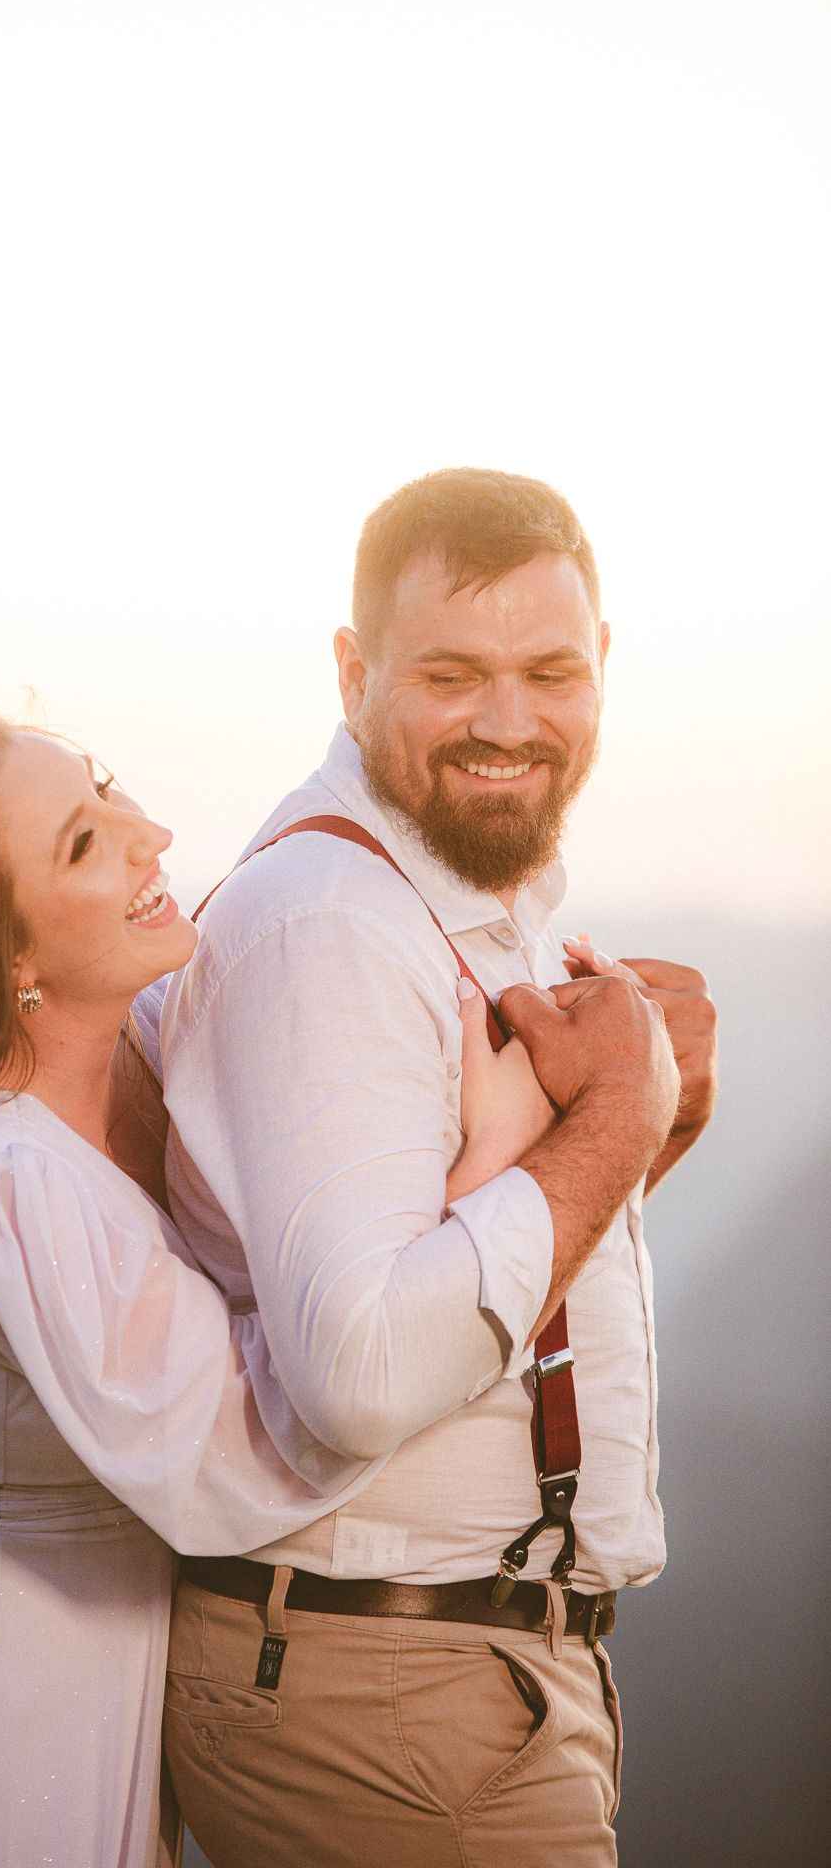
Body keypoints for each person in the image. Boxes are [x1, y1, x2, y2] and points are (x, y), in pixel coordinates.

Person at [0, 708, 547, 1868]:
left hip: (92, 1674)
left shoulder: (145, 1049)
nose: (149, 835)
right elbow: (255, 1440)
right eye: (82, 844)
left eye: (106, 790)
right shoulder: (1, 1181)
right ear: (3, 955)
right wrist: (498, 1164)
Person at [158, 468, 718, 1867]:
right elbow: (360, 1371)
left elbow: (458, 1272)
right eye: (451, 675)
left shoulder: (445, 897)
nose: (508, 722)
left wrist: (643, 1136)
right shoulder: (334, 924)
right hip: (391, 1696)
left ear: (603, 668)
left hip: (442, 1681)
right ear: (354, 675)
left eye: (551, 673)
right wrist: (618, 1116)